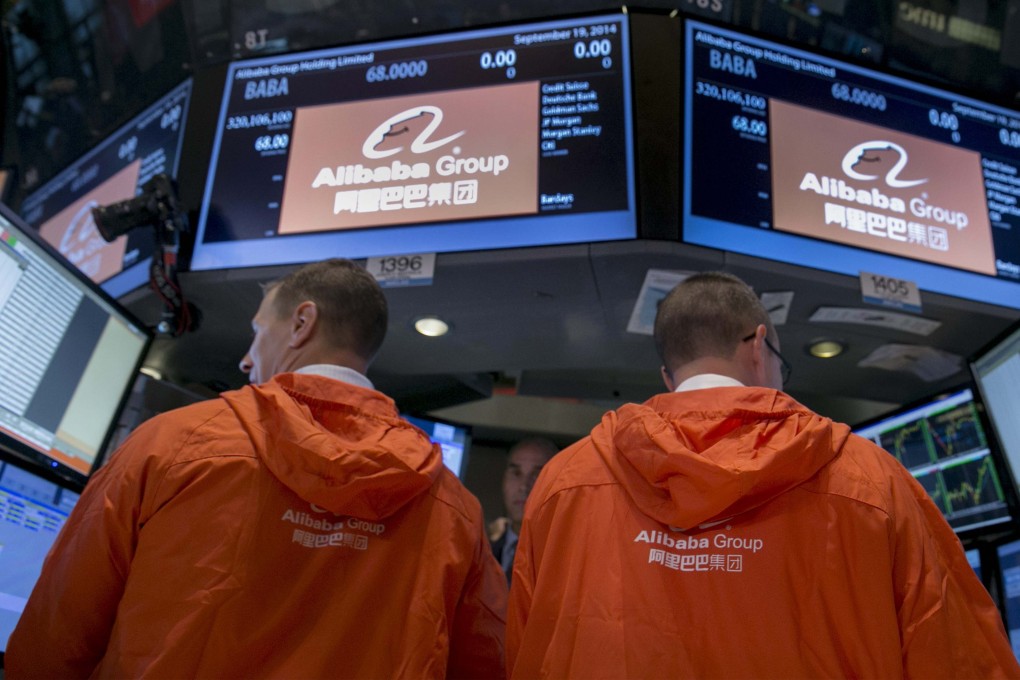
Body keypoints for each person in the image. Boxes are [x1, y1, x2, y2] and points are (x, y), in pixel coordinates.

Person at [7, 258, 507, 679]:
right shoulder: (455, 510)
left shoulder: (170, 445)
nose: (247, 360)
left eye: (257, 332)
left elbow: (58, 630)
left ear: (302, 322)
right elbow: (489, 665)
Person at [507, 271, 1020, 679]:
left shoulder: (563, 482)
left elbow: (525, 654)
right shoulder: (873, 479)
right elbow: (959, 659)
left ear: (668, 375)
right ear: (758, 346)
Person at [489, 437, 558, 584]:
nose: (524, 487)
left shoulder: (566, 557)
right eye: (516, 473)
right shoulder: (483, 552)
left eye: (537, 475)